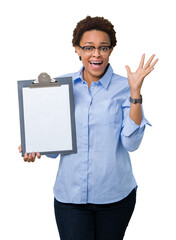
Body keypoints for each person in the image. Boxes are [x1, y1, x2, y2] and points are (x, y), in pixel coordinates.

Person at [19, 16, 158, 240]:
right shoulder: (57, 87)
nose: (96, 54)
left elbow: (131, 144)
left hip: (115, 198)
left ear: (111, 50)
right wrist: (34, 144)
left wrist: (135, 94)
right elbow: (54, 149)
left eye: (103, 47)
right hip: (70, 198)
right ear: (77, 49)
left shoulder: (126, 87)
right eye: (89, 47)